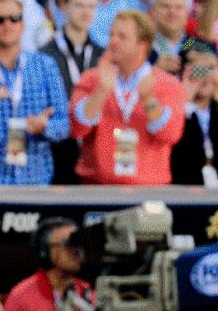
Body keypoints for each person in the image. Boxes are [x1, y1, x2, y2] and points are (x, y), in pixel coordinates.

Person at [0, 0, 70, 185]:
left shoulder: (45, 66)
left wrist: (44, 127)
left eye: (14, 18)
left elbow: (64, 123)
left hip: (37, 177)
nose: (7, 25)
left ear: (22, 24)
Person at [70, 10, 187, 184]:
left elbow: (171, 135)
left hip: (148, 190)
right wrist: (101, 91)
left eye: (122, 37)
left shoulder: (167, 84)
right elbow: (76, 129)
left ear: (143, 45)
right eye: (112, 35)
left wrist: (148, 100)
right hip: (97, 189)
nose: (113, 41)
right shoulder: (93, 78)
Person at [40, 0, 102, 183]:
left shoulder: (104, 56)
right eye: (80, 5)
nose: (86, 12)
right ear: (64, 6)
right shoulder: (44, 54)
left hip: (94, 147)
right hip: (58, 147)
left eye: (92, 7)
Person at [171, 51, 218, 185]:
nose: (205, 78)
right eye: (199, 71)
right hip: (185, 185)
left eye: (210, 71)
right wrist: (187, 99)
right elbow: (177, 143)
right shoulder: (182, 110)